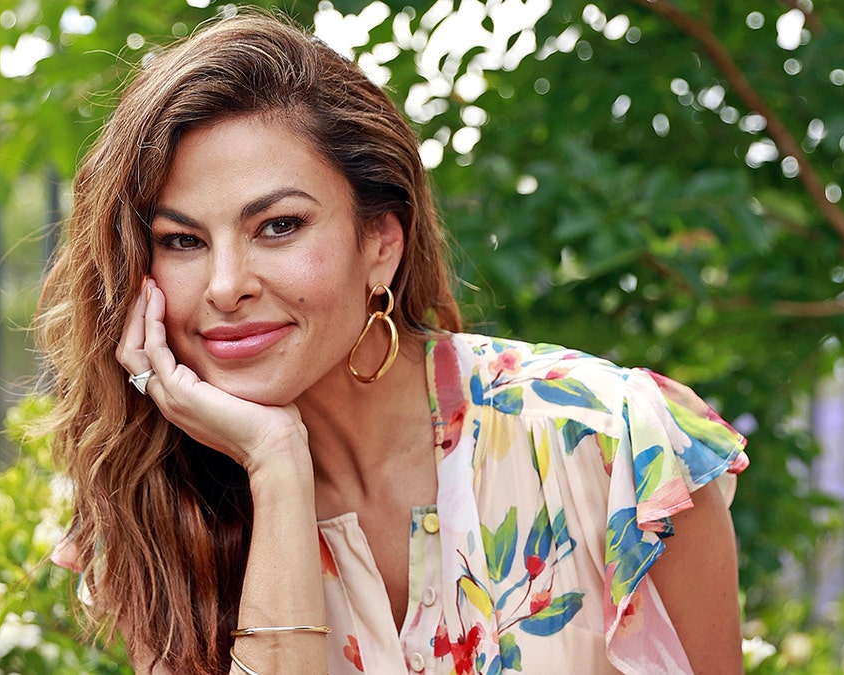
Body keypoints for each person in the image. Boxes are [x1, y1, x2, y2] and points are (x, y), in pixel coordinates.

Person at [41, 11, 750, 675]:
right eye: (182, 240)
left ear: (381, 242)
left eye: (279, 225)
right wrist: (275, 463)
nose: (225, 285)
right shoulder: (157, 509)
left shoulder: (614, 449)